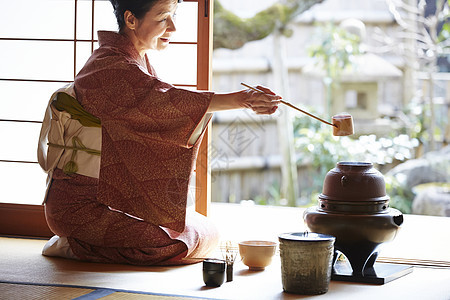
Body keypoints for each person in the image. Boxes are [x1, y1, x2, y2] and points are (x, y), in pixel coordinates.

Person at [38, 0, 281, 266]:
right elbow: (164, 102)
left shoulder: (134, 61)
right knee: (170, 244)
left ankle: (86, 242)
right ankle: (74, 244)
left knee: (206, 235)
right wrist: (239, 99)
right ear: (131, 20)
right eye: (164, 17)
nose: (173, 27)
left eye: (174, 16)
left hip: (114, 197)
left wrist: (241, 99)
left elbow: (160, 105)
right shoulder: (107, 66)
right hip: (81, 204)